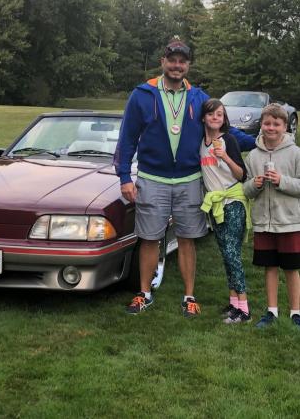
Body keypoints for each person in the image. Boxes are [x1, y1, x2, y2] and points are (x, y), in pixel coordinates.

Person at [114, 39, 256, 315]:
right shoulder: (142, 94)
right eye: (173, 60)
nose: (177, 65)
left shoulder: (198, 97)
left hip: (189, 179)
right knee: (149, 238)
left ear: (188, 65)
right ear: (163, 62)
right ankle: (144, 293)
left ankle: (189, 296)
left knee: (187, 238)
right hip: (152, 178)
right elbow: (127, 139)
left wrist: (261, 140)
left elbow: (223, 128)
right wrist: (124, 177)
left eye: (182, 61)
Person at [243, 103, 300, 328]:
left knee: (292, 268)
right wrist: (254, 185)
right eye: (267, 123)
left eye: (277, 124)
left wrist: (281, 181)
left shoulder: (295, 154)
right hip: (263, 223)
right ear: (261, 125)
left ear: (285, 126)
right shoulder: (253, 156)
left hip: (289, 221)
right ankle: (271, 311)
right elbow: (245, 190)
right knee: (270, 266)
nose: (271, 128)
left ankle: (296, 312)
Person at [199, 99, 251, 324]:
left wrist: (225, 157)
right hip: (216, 205)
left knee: (233, 255)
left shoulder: (228, 140)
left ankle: (245, 309)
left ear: (224, 118)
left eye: (219, 114)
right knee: (226, 255)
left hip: (232, 202)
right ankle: (233, 304)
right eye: (211, 114)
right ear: (204, 118)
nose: (215, 118)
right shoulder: (201, 142)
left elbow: (242, 174)